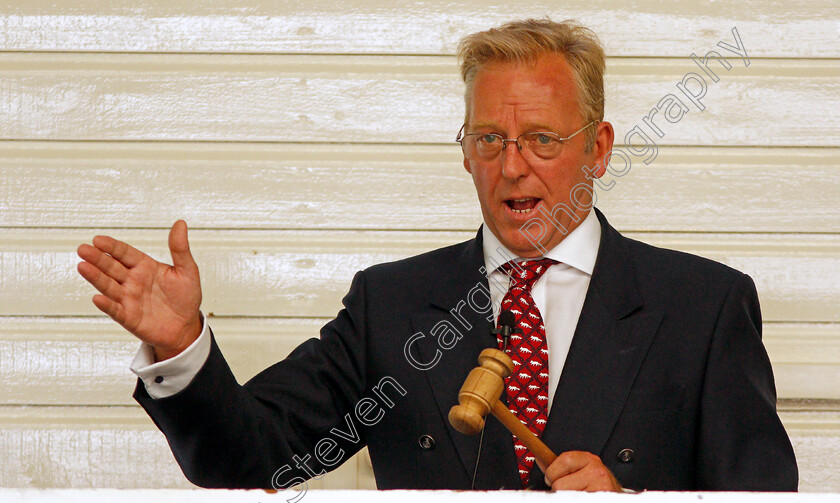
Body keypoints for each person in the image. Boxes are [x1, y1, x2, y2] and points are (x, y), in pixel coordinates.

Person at [76, 19, 797, 492]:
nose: (514, 167)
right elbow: (250, 457)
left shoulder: (703, 306)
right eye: (489, 140)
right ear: (466, 153)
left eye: (542, 139)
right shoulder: (389, 306)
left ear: (598, 148)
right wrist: (184, 348)